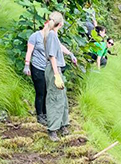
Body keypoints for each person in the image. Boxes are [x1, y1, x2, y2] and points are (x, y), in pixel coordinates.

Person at [43, 12, 72, 142]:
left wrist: (70, 54)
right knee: (55, 99)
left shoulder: (52, 34)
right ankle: (52, 130)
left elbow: (59, 47)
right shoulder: (52, 36)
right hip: (54, 70)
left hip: (57, 70)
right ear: (60, 24)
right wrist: (56, 75)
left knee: (62, 98)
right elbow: (52, 56)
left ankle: (63, 125)